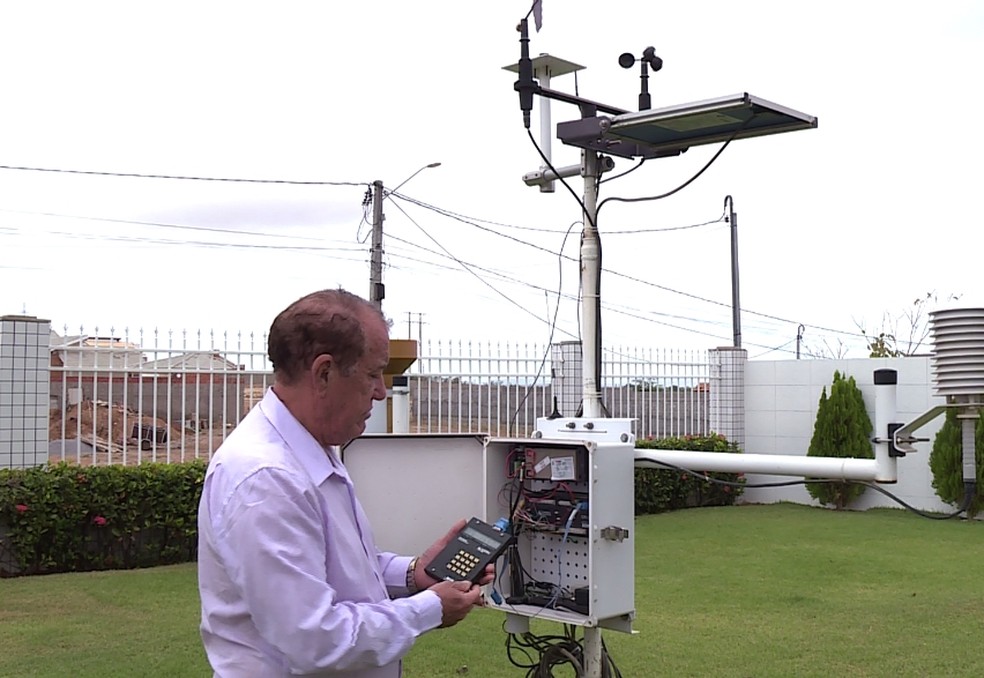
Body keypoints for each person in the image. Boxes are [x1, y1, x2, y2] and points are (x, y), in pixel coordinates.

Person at [198, 288, 490, 677]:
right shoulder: (266, 479)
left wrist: (414, 574)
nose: (381, 391)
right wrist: (431, 608)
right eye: (372, 374)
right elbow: (317, 641)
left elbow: (337, 569)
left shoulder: (311, 450)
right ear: (324, 373)